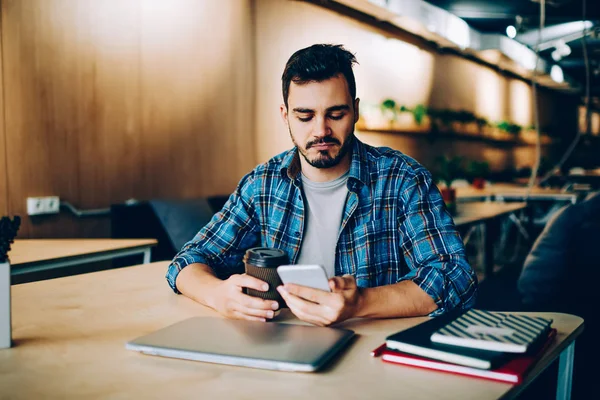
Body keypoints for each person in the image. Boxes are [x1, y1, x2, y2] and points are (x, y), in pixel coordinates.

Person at [166, 44, 477, 326]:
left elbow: (455, 277)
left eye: (336, 114)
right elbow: (189, 260)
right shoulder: (262, 184)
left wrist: (361, 302)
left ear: (355, 111)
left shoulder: (403, 180)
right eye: (305, 116)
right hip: (278, 357)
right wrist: (218, 294)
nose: (321, 130)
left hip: (374, 361)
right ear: (285, 115)